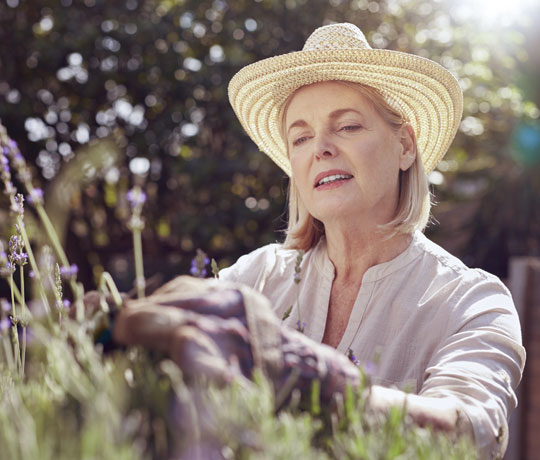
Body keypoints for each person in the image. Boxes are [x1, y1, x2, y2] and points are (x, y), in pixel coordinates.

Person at [109, 23, 524, 460]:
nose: (319, 148)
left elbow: (473, 432)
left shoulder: (471, 301)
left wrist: (319, 384)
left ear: (404, 146)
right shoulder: (255, 277)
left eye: (346, 126)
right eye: (301, 137)